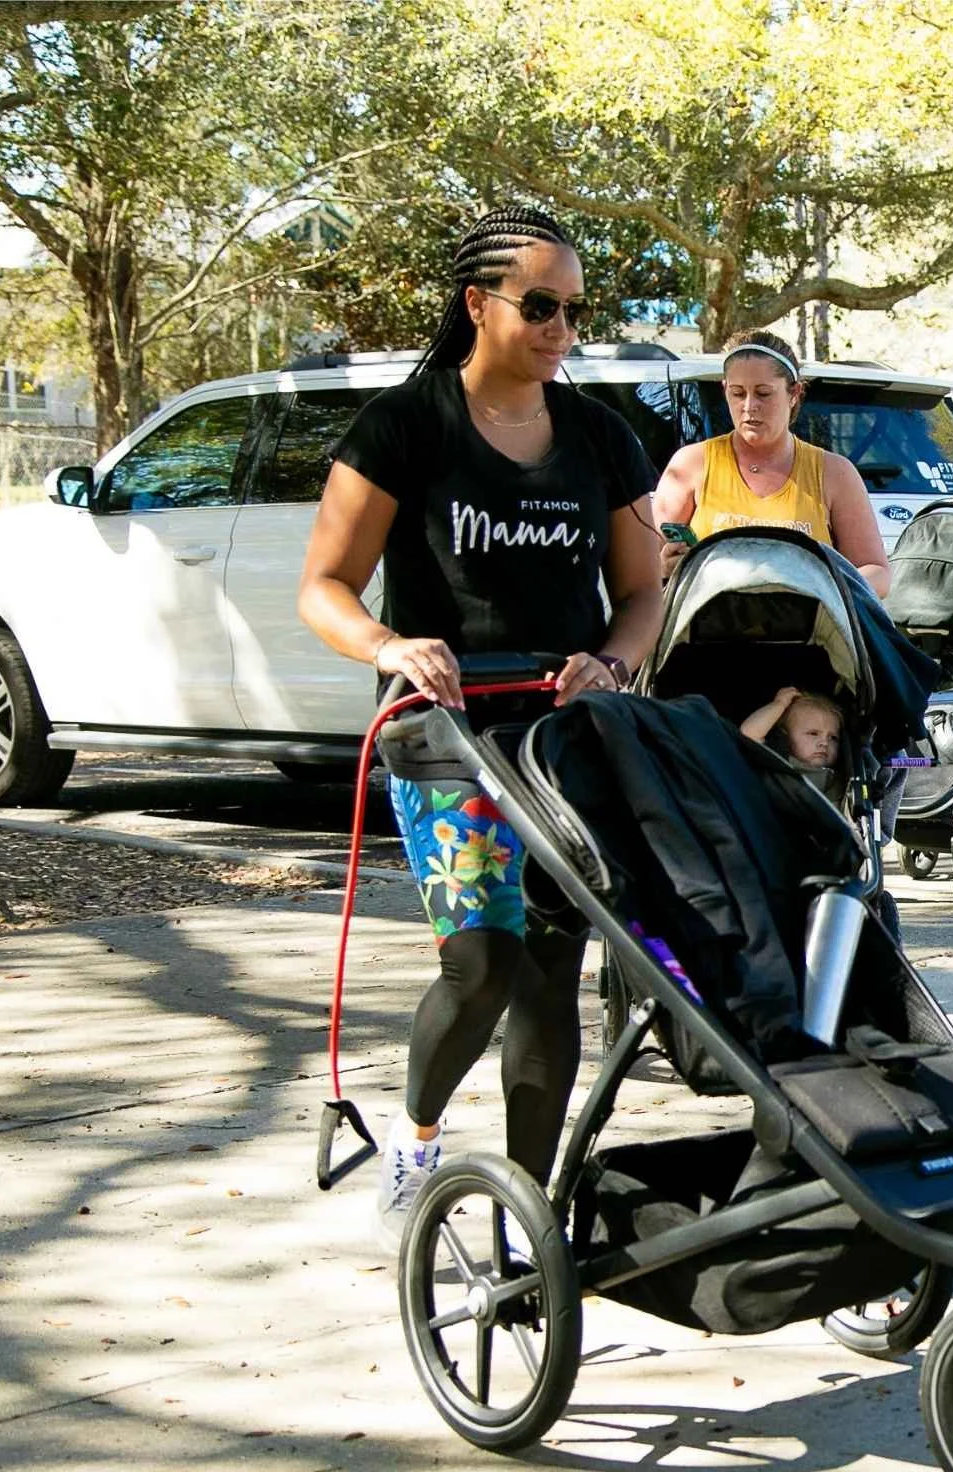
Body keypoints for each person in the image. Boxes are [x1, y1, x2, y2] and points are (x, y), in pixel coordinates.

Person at [296, 205, 664, 1241]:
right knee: (484, 956)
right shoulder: (404, 427)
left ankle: (526, 1207)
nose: (560, 327)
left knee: (553, 960)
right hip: (443, 733)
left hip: (562, 736)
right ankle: (416, 1141)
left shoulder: (602, 437)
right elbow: (323, 584)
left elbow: (643, 593)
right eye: (539, 304)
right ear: (478, 304)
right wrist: (388, 645)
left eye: (573, 309)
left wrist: (614, 659)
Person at [651, 329, 890, 595]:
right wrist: (665, 566)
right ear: (724, 390)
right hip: (707, 631)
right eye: (738, 393)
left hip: (806, 632)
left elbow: (876, 572)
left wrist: (822, 590)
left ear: (794, 393)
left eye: (763, 393)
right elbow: (643, 567)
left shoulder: (834, 473)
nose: (749, 406)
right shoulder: (691, 464)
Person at [739, 684, 843, 783]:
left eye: (833, 738)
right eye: (813, 733)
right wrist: (780, 704)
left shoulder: (841, 780)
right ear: (786, 735)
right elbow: (748, 734)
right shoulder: (776, 761)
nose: (825, 743)